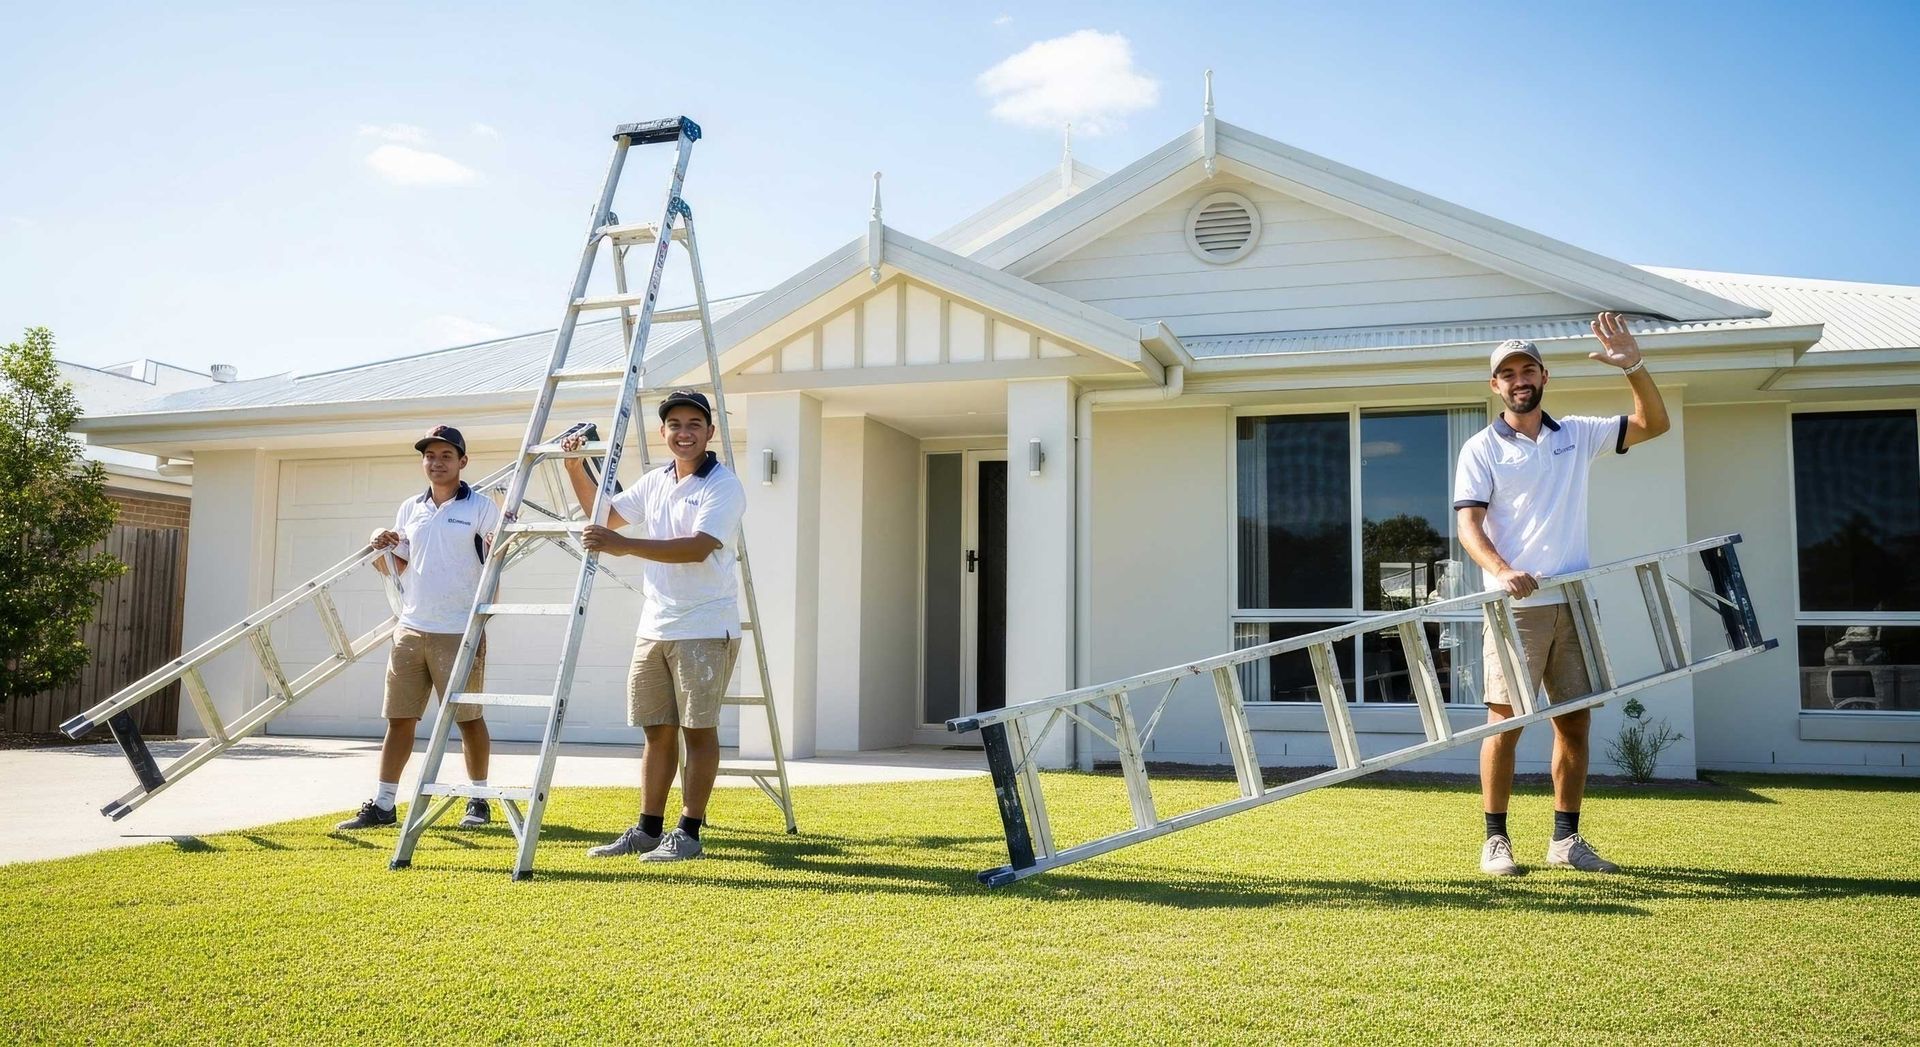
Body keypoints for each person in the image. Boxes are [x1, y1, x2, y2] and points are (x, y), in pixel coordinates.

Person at [1452, 314, 1670, 875]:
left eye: (1528, 368)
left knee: (1574, 723)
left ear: (1544, 376)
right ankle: (1495, 841)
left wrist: (1634, 367)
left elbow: (1654, 424)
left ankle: (1565, 841)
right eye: (1507, 372)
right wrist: (1502, 570)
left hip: (1574, 602)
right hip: (1514, 608)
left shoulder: (1576, 433)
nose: (1519, 378)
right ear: (1494, 386)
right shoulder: (1480, 449)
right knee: (1505, 723)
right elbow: (1469, 528)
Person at [560, 389, 746, 862]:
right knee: (656, 730)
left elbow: (698, 547)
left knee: (697, 731)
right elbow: (604, 516)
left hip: (705, 626)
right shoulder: (655, 481)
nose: (684, 433)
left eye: (693, 425)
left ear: (709, 432)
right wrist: (574, 468)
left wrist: (623, 547)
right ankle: (647, 829)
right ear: (663, 432)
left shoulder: (723, 485)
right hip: (655, 626)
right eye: (675, 425)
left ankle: (689, 832)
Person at [336, 425, 500, 830]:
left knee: (468, 718)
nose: (437, 462)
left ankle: (478, 801)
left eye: (446, 455)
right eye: (430, 455)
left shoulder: (481, 507)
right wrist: (380, 543)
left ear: (463, 461)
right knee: (399, 719)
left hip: (459, 629)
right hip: (410, 629)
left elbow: (498, 556)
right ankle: (384, 805)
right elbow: (395, 567)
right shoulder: (411, 508)